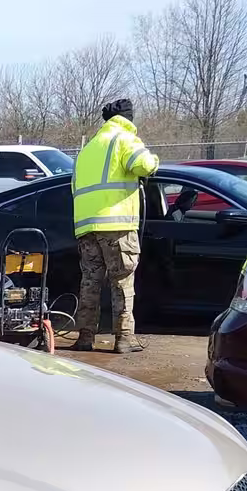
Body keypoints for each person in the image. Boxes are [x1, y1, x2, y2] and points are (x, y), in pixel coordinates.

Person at [71, 98, 159, 353]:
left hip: (86, 226)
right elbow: (143, 165)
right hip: (117, 224)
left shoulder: (88, 149)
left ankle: (85, 337)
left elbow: (74, 188)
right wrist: (154, 161)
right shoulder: (124, 138)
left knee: (90, 281)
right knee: (122, 281)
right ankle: (124, 338)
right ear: (129, 118)